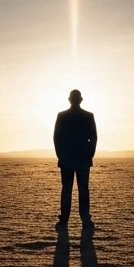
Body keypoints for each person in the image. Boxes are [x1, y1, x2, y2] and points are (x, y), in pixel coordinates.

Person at [53, 89, 97, 229]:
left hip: (70, 158)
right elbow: (93, 138)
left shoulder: (63, 116)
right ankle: (84, 219)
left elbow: (56, 138)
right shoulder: (87, 116)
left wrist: (60, 154)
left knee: (68, 189)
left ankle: (66, 219)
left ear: (69, 99)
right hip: (79, 158)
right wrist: (89, 154)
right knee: (81, 189)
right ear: (81, 99)